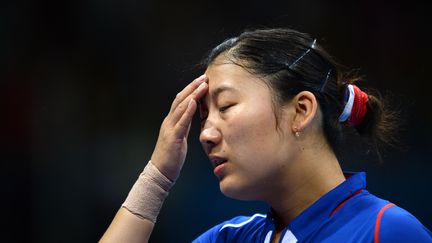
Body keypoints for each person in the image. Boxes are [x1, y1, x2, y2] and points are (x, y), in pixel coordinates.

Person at [100, 28, 432, 243]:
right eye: (204, 116)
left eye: (226, 106)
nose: (205, 134)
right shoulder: (231, 239)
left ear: (301, 111)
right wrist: (156, 178)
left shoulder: (385, 232)